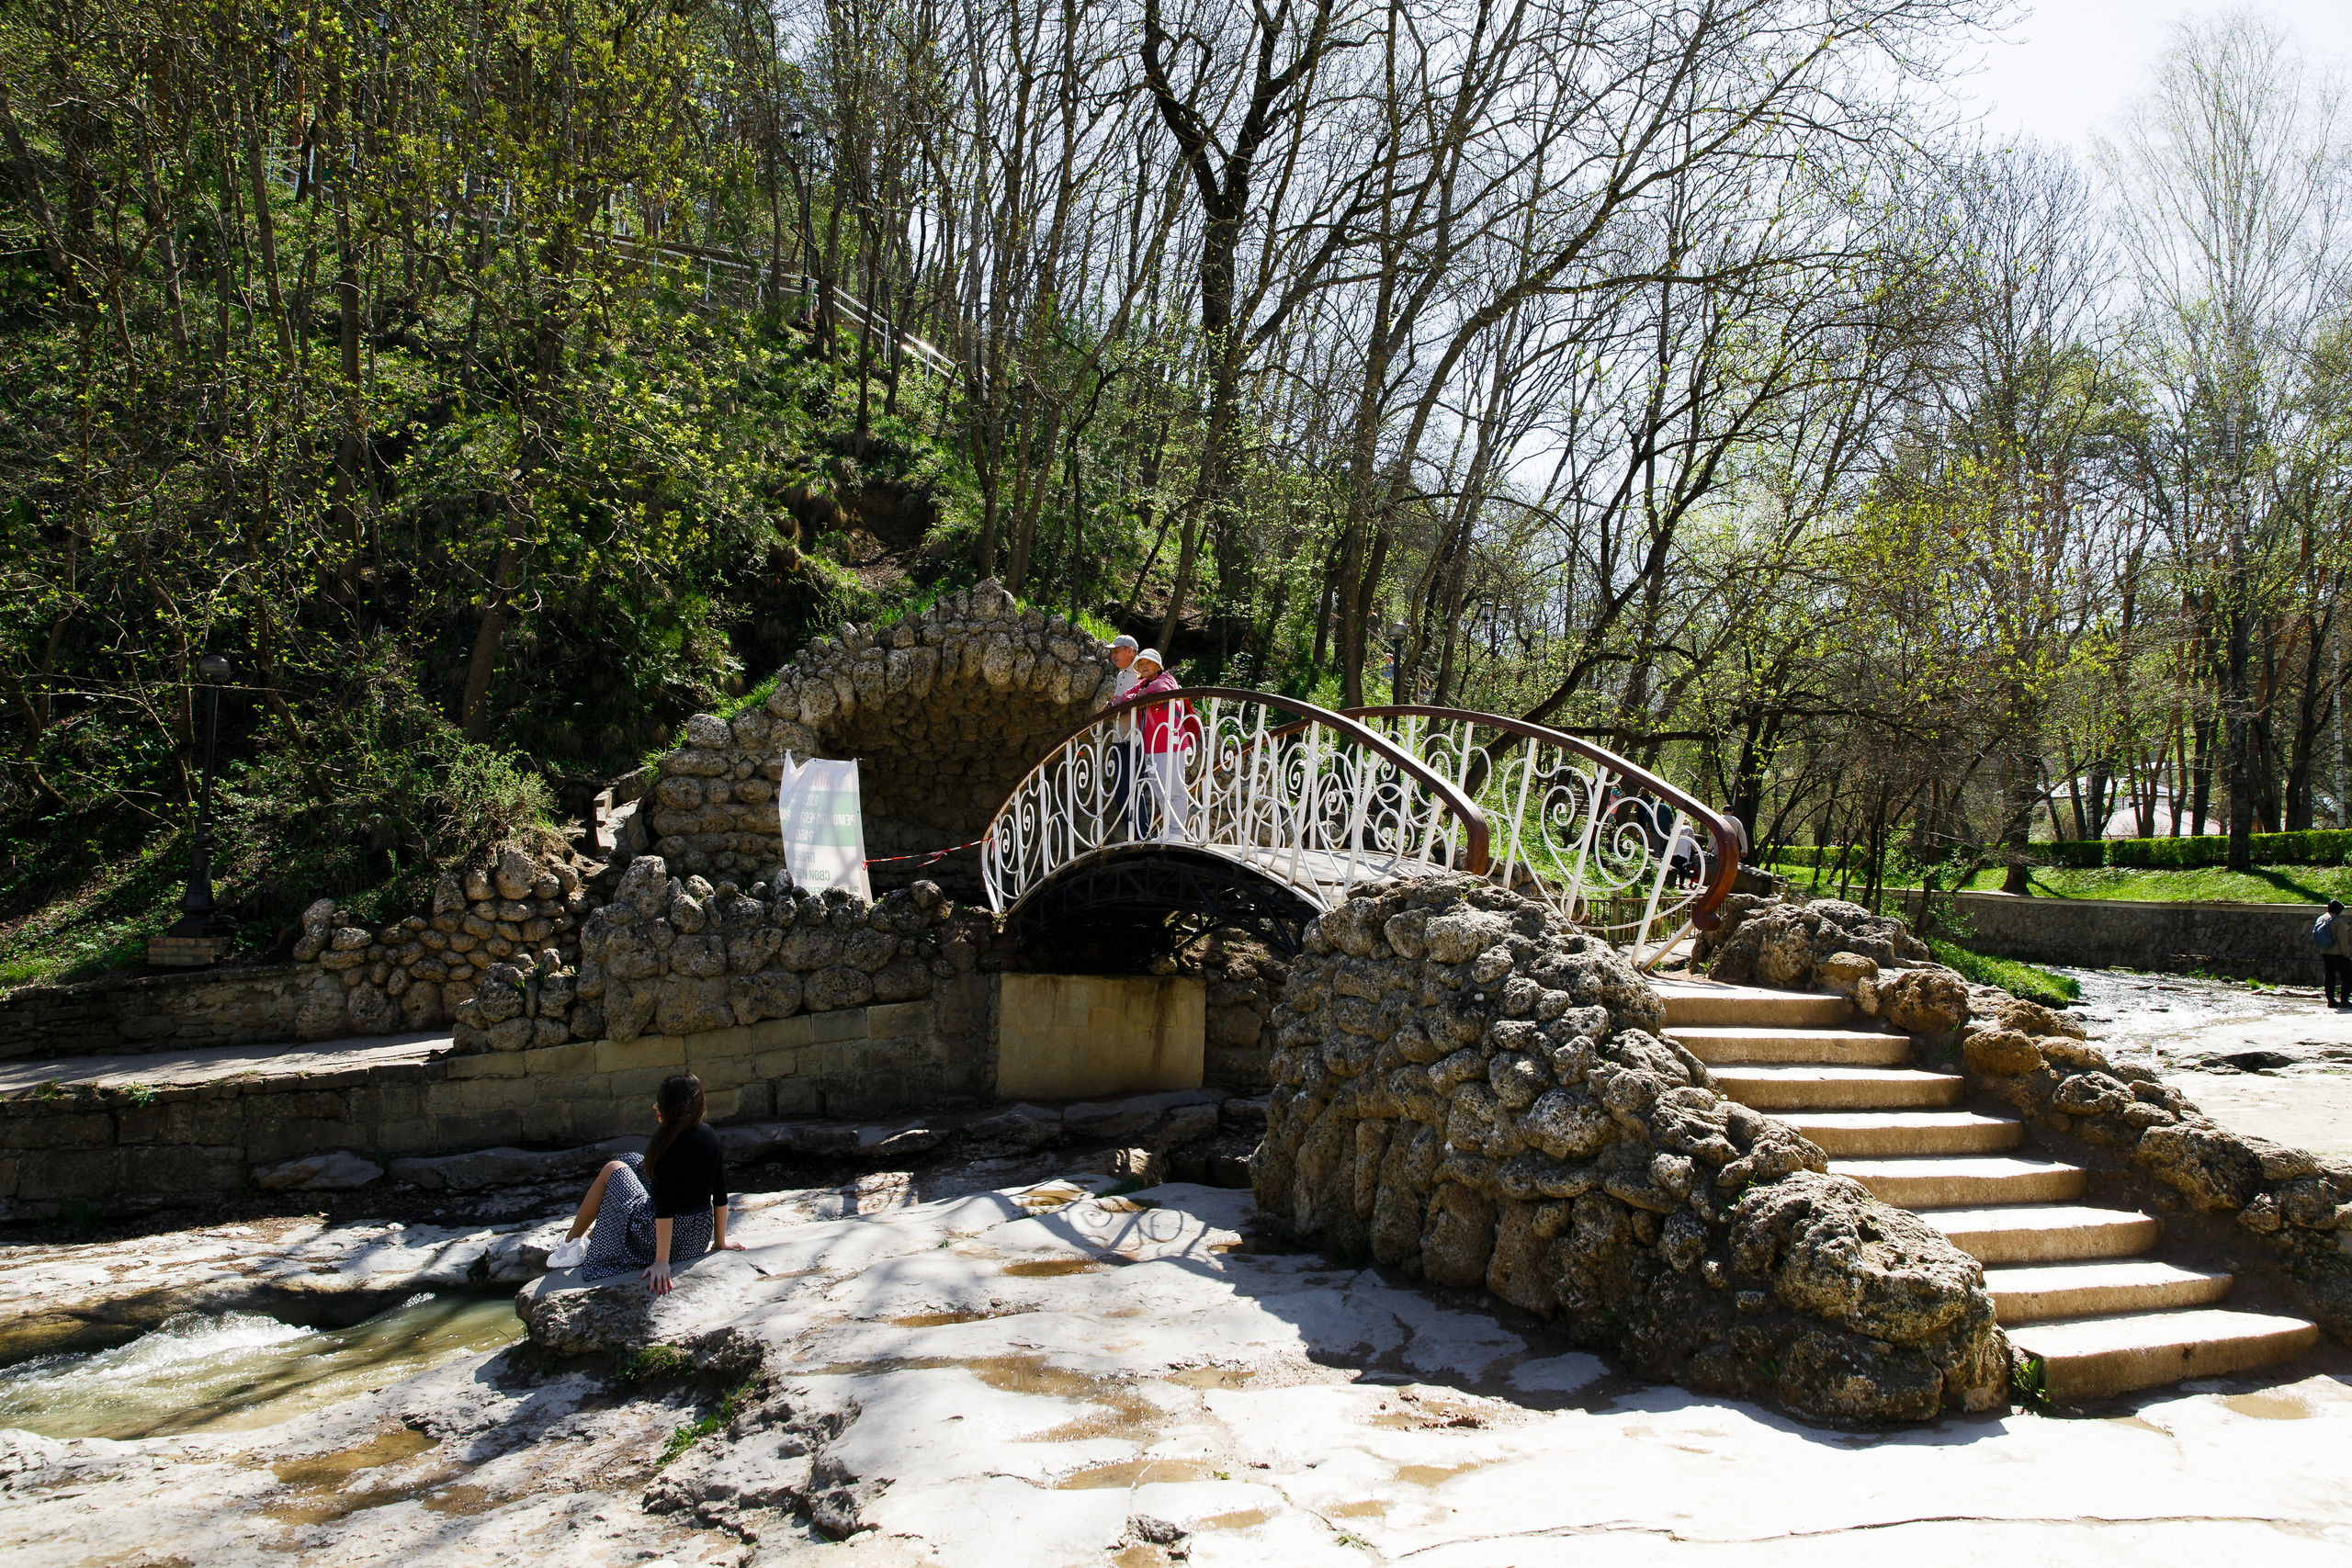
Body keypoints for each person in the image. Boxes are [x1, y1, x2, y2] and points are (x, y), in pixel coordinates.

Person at [552, 1072, 743, 1293]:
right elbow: (721, 1191)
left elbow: (665, 1208)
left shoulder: (667, 1146)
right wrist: (719, 1241)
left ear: (676, 1107)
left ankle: (569, 1244)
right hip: (697, 1238)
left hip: (658, 1240)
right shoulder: (710, 1134)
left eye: (661, 1102)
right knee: (630, 1160)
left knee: (611, 1169)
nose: (654, 1106)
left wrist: (662, 1262)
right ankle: (591, 1236)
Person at [1129, 649, 1194, 840]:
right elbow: (1124, 697)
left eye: (1147, 662)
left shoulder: (1166, 679)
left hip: (1170, 743)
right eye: (1141, 664)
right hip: (1152, 746)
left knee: (1174, 787)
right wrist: (1139, 693)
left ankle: (1177, 832)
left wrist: (1141, 693)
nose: (1144, 666)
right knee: (1160, 790)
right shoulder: (1144, 684)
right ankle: (1168, 830)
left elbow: (1160, 691)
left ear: (1158, 666)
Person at [1103, 634, 1140, 835]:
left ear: (1130, 650)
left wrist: (1117, 705)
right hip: (1120, 738)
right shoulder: (1121, 675)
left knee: (1131, 789)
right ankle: (1133, 835)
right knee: (1121, 791)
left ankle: (1140, 835)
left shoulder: (1142, 670)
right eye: (1112, 652)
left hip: (1134, 739)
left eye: (1116, 651)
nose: (1113, 656)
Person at [2315, 899, 2349, 1009]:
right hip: (2337, 953)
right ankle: (2344, 1000)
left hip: (2325, 951)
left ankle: (2330, 1001)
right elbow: (2342, 940)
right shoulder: (2337, 921)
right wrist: (2346, 954)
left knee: (2329, 976)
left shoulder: (2321, 918)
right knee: (2348, 975)